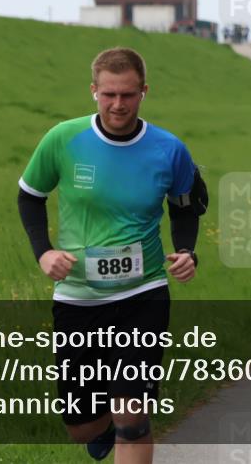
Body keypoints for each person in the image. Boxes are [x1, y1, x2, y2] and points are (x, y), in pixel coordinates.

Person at [17, 47, 207, 463]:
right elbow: (30, 197)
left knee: (132, 415)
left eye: (127, 94)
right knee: (81, 424)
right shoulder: (63, 139)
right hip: (78, 297)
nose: (117, 104)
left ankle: (124, 426)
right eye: (108, 95)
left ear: (143, 91)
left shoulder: (169, 149)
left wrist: (187, 251)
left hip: (144, 293)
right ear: (93, 92)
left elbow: (184, 207)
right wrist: (43, 253)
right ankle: (99, 429)